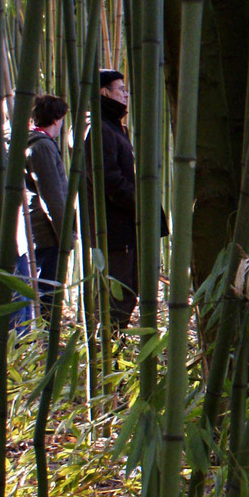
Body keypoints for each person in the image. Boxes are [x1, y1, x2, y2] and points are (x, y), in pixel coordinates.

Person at [93, 69, 144, 327]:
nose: (125, 95)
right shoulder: (99, 129)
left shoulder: (111, 126)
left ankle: (112, 349)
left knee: (127, 290)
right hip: (113, 229)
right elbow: (110, 180)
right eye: (121, 90)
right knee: (118, 292)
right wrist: (140, 204)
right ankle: (108, 354)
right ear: (104, 92)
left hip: (121, 225)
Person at [24, 93, 72, 308]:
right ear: (56, 119)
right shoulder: (41, 146)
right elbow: (51, 197)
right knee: (48, 290)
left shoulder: (32, 142)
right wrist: (65, 235)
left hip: (40, 226)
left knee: (45, 287)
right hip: (46, 230)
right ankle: (45, 337)